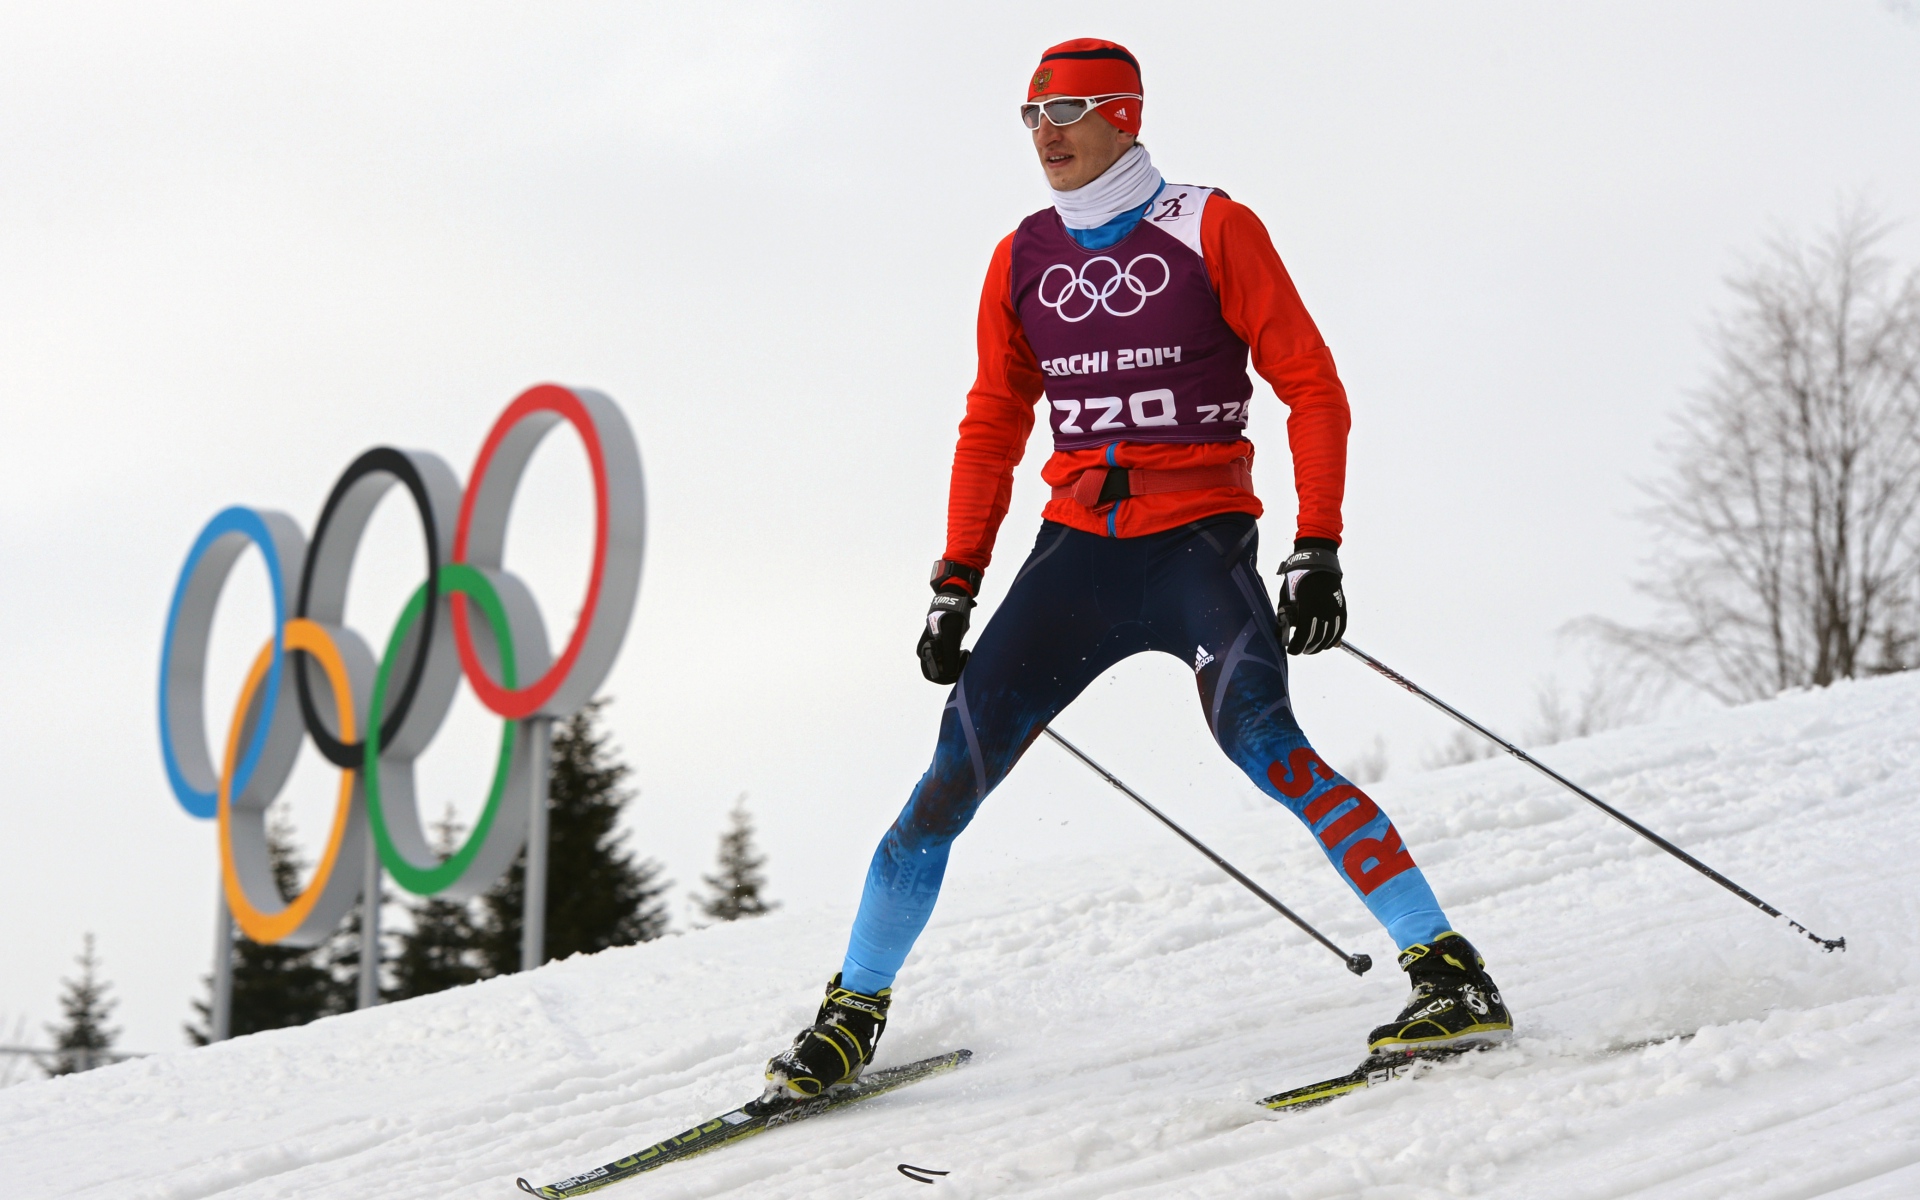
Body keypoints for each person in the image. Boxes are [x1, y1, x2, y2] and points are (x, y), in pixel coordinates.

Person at [760, 38, 1511, 1105]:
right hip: (1073, 557)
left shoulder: (1213, 225)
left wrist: (1319, 545)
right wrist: (955, 578)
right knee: (945, 784)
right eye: (1029, 111)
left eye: (1066, 106)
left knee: (1268, 747)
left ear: (1124, 112)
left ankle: (1449, 973)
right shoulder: (1021, 256)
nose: (1045, 130)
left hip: (1196, 547)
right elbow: (992, 420)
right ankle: (852, 1013)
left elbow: (1313, 386)